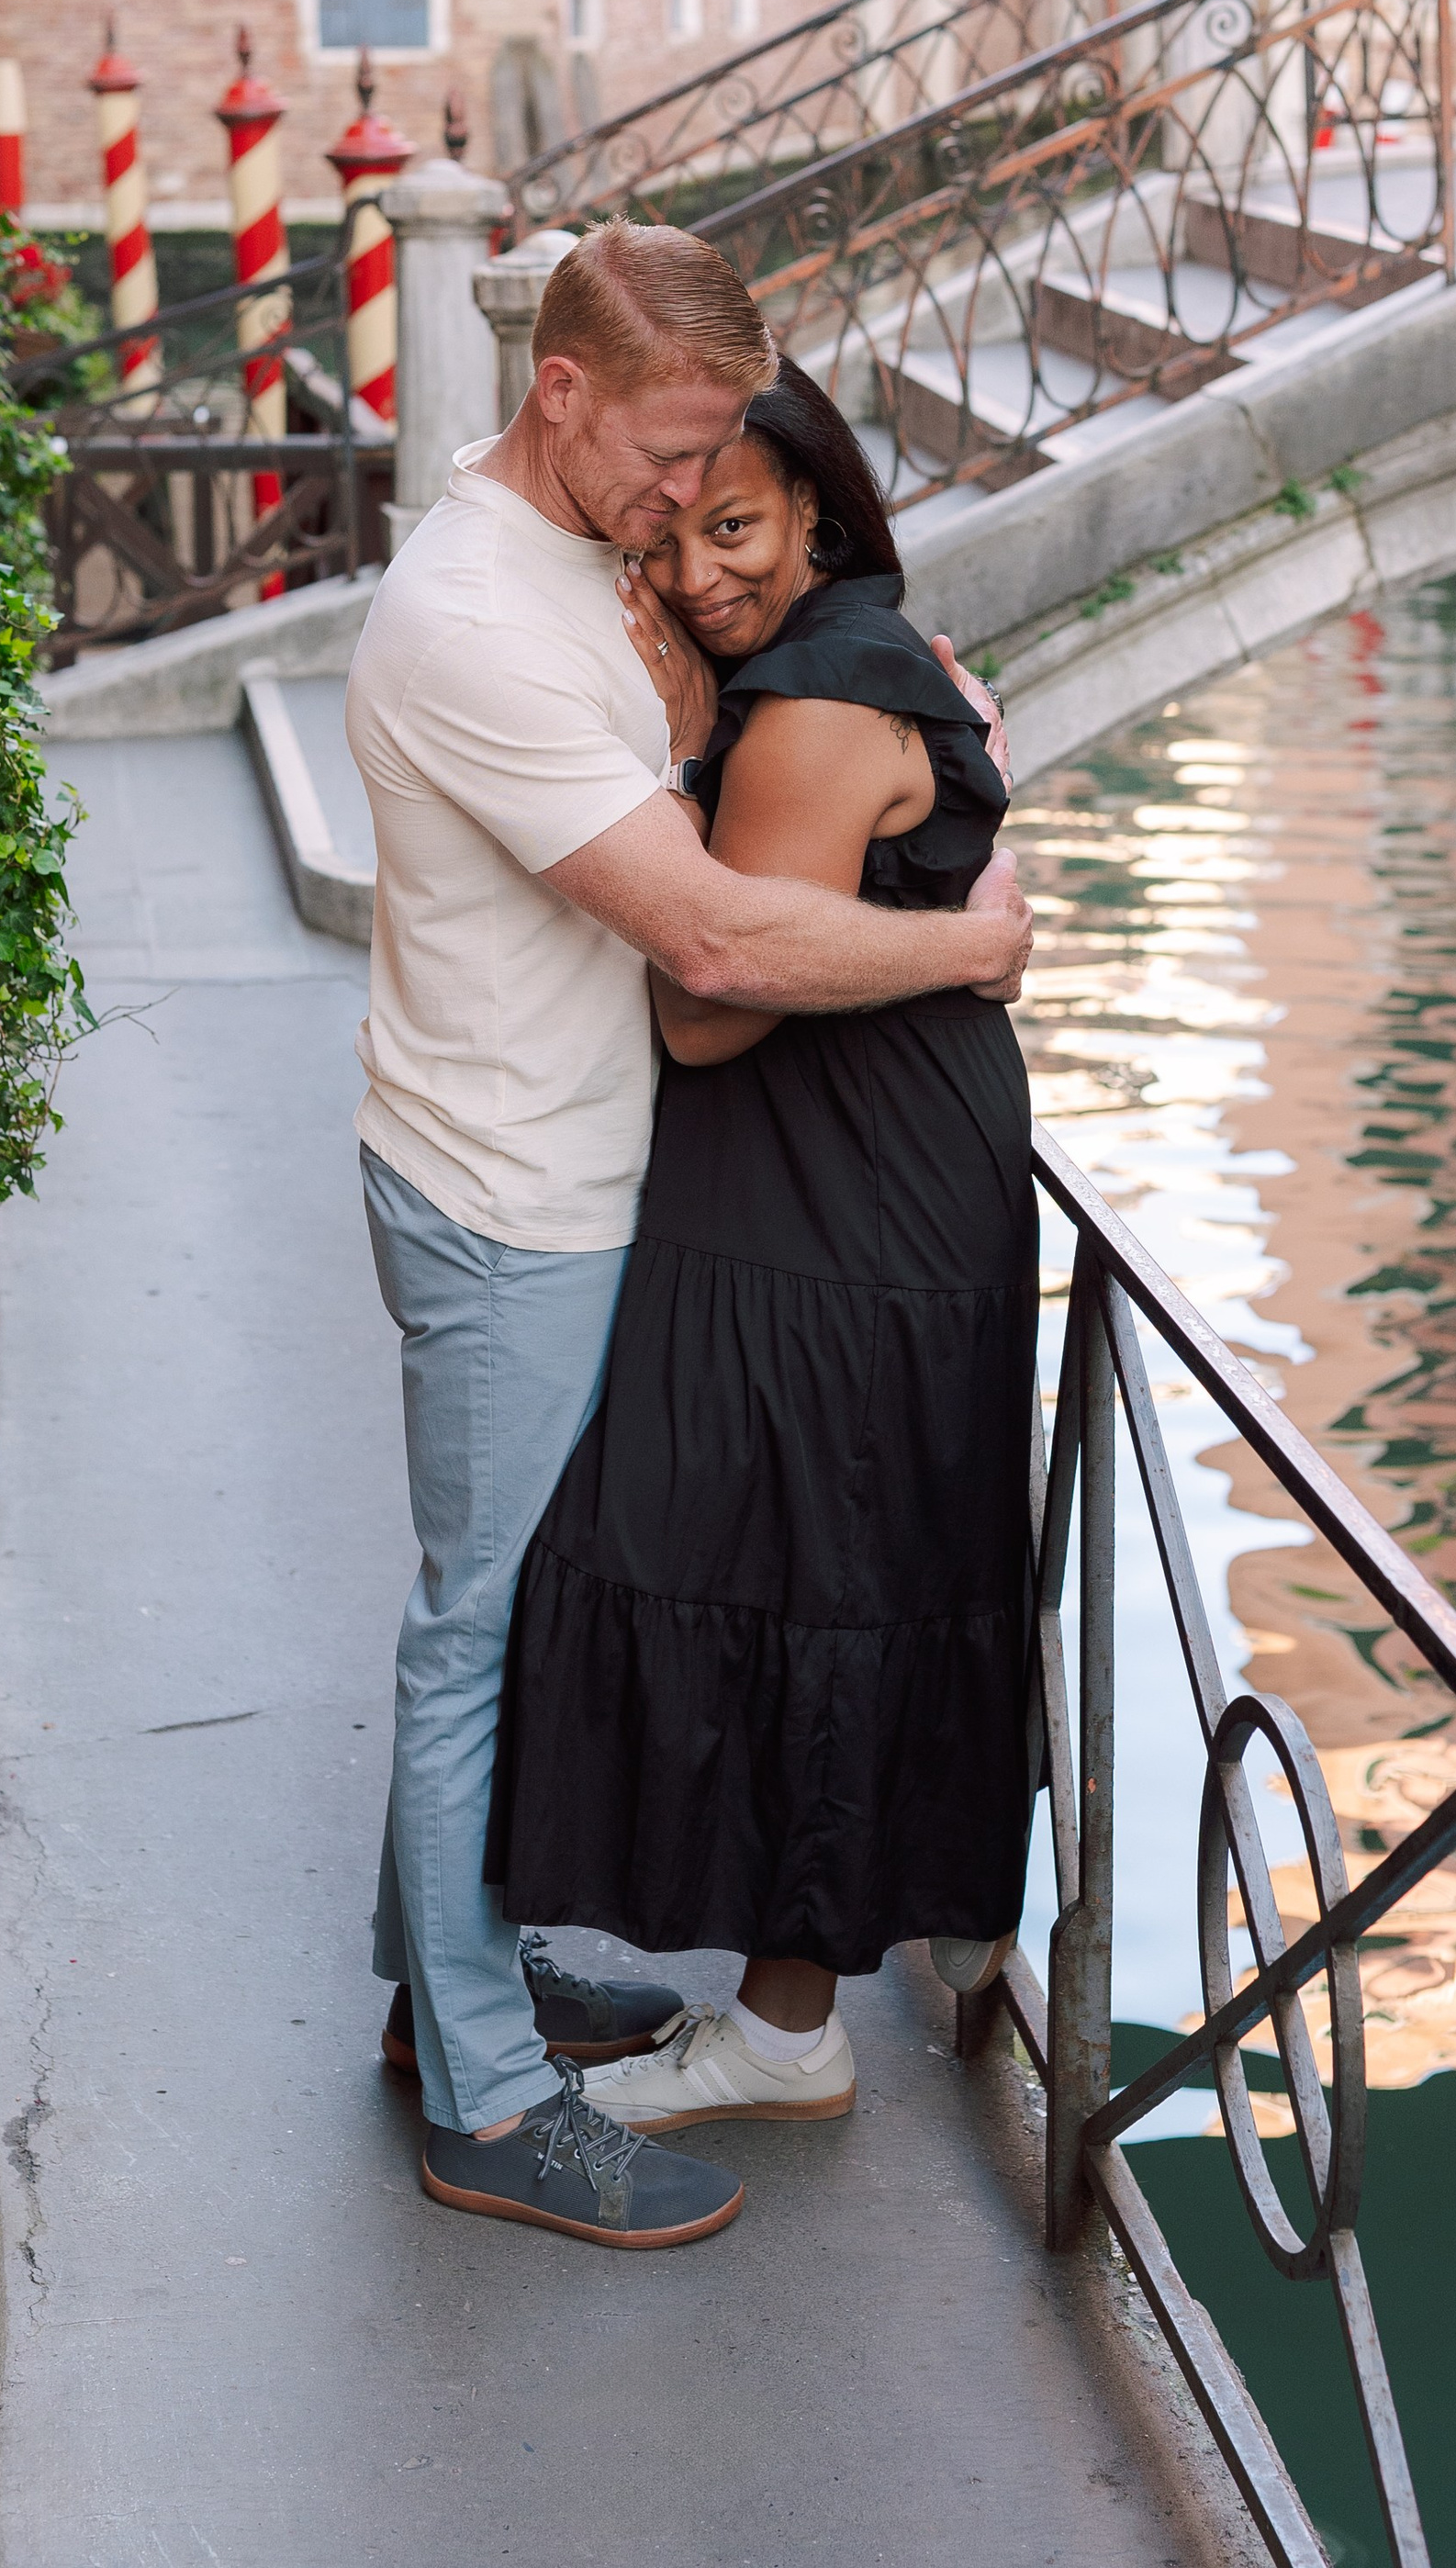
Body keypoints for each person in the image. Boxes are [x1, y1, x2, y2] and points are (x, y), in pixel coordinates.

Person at [344, 224, 1031, 2250]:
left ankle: (459, 1966)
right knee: (474, 1628)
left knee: (513, 1592)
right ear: (555, 395)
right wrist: (962, 936)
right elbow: (714, 943)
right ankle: (480, 2091)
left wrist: (898, 689)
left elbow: (755, 703)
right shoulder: (471, 610)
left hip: (557, 1169)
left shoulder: (576, 550)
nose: (677, 510)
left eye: (719, 468)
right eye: (662, 461)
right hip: (507, 1186)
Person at [487, 358, 1035, 2132]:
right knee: (804, 1567)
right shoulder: (850, 659)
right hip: (852, 1174)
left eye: (737, 527)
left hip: (842, 1194)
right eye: (668, 534)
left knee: (809, 1572)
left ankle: (788, 2033)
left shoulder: (808, 706)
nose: (700, 569)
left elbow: (714, 1006)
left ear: (817, 510)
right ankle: (796, 1991)